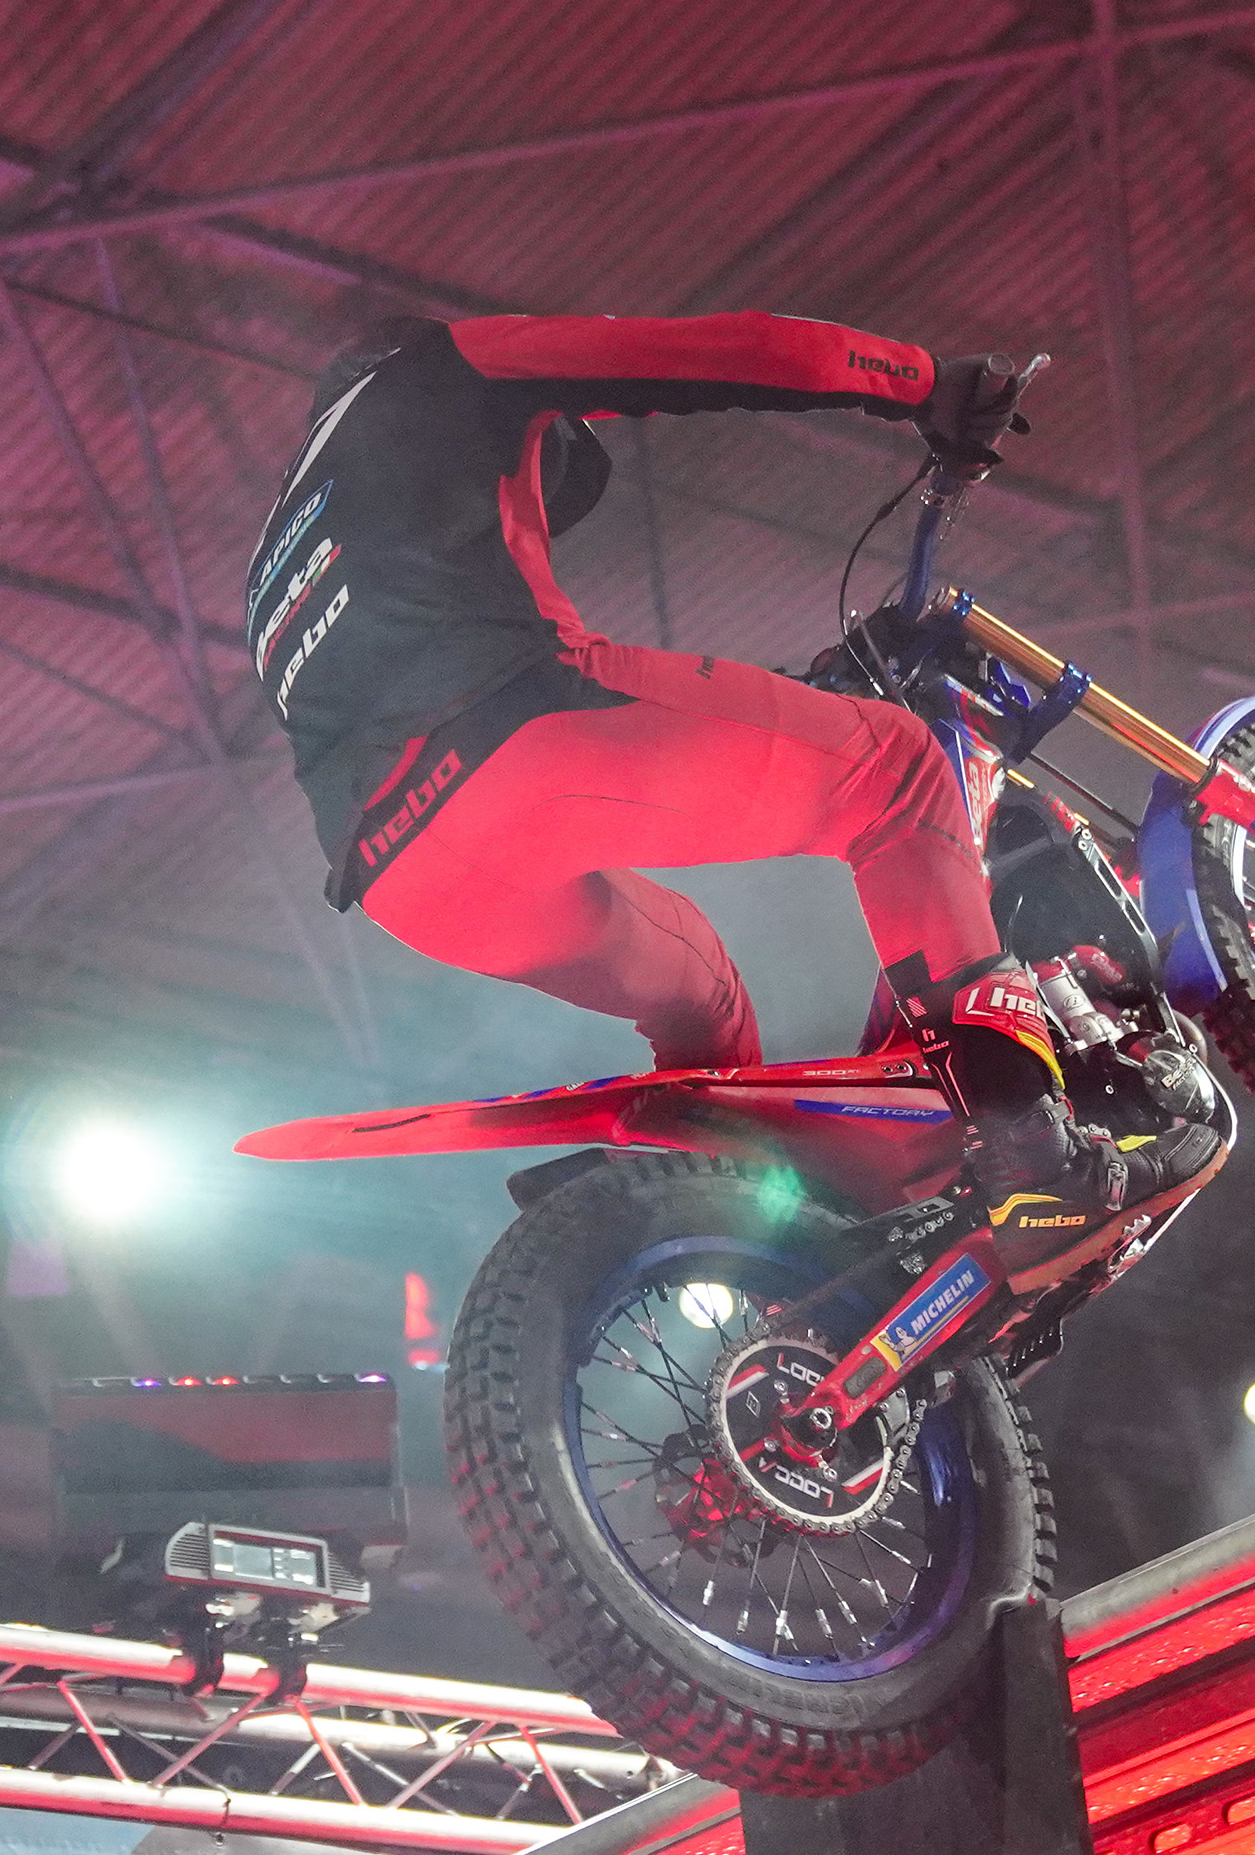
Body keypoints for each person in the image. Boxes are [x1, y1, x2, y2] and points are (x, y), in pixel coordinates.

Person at [246, 310, 1147, 1287]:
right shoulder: (437, 367)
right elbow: (700, 352)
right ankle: (1031, 1154)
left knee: (701, 995)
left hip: (405, 878)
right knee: (897, 770)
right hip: (523, 740)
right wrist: (921, 379)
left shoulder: (277, 555)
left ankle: (720, 1232)